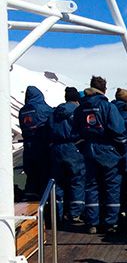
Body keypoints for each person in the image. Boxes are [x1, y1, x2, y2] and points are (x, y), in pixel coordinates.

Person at [72, 76, 127, 234]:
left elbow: (74, 133)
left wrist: (84, 145)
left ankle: (92, 223)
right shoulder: (108, 107)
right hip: (108, 150)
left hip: (88, 150)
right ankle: (110, 223)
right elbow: (118, 130)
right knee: (112, 187)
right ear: (104, 89)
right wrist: (121, 148)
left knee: (91, 186)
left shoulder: (80, 109)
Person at [46, 87, 85, 222]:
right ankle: (75, 213)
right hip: (73, 147)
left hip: (56, 148)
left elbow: (49, 128)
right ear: (77, 99)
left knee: (58, 183)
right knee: (77, 180)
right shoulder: (78, 111)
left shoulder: (55, 112)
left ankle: (57, 214)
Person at [18, 86, 53, 200]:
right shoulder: (44, 109)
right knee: (44, 175)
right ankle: (45, 204)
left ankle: (28, 201)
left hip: (27, 147)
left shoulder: (22, 111)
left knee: (31, 176)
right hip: (41, 146)